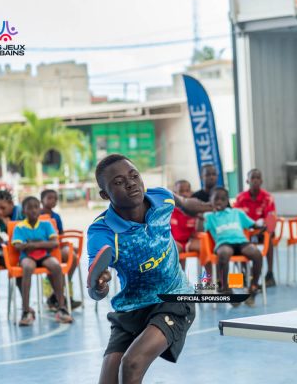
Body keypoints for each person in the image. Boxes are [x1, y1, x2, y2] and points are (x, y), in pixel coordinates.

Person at [87, 154, 211, 384]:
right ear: (105, 194)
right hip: (131, 308)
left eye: (134, 176)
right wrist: (99, 285)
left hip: (173, 297)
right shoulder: (102, 232)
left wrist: (207, 206)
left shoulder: (161, 198)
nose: (131, 183)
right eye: (119, 181)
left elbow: (185, 204)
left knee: (132, 362)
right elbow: (95, 291)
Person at [12, 196, 73, 326]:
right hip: (27, 257)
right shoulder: (19, 227)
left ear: (40, 209)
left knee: (56, 266)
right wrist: (43, 243)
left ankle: (61, 307)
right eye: (30, 208)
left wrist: (32, 244)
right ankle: (26, 310)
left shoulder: (46, 224)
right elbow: (18, 246)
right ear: (24, 211)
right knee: (27, 268)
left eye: (36, 207)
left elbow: (54, 243)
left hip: (44, 255)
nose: (33, 210)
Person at [201, 186, 263, 306]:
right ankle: (226, 289)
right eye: (216, 199)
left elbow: (253, 225)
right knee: (224, 253)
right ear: (211, 200)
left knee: (256, 253)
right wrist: (202, 214)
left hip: (242, 242)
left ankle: (253, 287)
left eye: (223, 199)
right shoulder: (208, 216)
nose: (219, 201)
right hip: (224, 243)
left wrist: (261, 227)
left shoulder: (237, 212)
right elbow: (200, 230)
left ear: (227, 201)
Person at [234, 168, 277, 287]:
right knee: (233, 244)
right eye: (253, 178)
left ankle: (270, 275)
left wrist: (265, 229)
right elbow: (235, 218)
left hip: (260, 234)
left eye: (258, 178)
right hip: (244, 234)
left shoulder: (268, 197)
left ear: (262, 181)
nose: (255, 180)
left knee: (269, 240)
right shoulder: (240, 198)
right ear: (247, 181)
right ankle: (242, 276)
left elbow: (271, 219)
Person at [40, 189, 82, 310]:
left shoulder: (56, 216)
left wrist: (68, 245)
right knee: (54, 263)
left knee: (72, 256)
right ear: (42, 200)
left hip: (56, 245)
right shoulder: (36, 214)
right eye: (50, 198)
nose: (53, 201)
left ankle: (58, 291)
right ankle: (58, 296)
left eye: (55, 199)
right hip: (43, 249)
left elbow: (61, 235)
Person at [171, 180, 199, 269]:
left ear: (191, 193)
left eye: (187, 191)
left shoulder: (195, 210)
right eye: (181, 191)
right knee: (174, 249)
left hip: (189, 243)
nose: (184, 194)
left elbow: (198, 231)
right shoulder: (169, 210)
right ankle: (178, 280)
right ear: (175, 194)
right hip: (174, 243)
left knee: (206, 247)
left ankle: (209, 280)